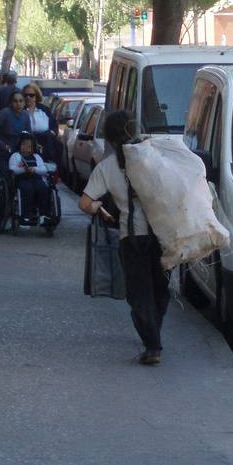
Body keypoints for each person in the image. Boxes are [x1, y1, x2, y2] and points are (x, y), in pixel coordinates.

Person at [78, 109, 170, 366]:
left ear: (109, 137)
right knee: (160, 290)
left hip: (131, 238)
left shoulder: (107, 167)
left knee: (139, 293)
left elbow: (85, 202)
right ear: (135, 130)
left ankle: (152, 344)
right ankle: (154, 337)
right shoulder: (153, 157)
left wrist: (101, 209)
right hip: (161, 235)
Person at [9, 132, 52, 226]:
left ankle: (44, 215)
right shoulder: (16, 156)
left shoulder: (37, 157)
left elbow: (44, 170)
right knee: (27, 189)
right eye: (23, 144)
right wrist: (23, 169)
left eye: (29, 145)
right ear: (19, 145)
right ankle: (25, 215)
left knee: (43, 188)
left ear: (33, 147)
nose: (26, 147)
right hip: (21, 179)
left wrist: (34, 169)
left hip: (36, 178)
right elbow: (12, 169)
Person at [0, 90, 31, 179]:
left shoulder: (25, 115)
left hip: (16, 152)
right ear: (11, 102)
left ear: (24, 103)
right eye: (15, 101)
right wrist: (2, 145)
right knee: (7, 177)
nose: (18, 104)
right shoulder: (5, 113)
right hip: (0, 152)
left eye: (20, 101)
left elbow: (29, 134)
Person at [22, 83, 59, 163]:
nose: (28, 97)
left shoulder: (44, 110)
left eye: (31, 95)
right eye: (26, 95)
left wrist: (51, 134)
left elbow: (54, 126)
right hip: (27, 150)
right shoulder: (20, 111)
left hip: (46, 148)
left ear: (36, 96)